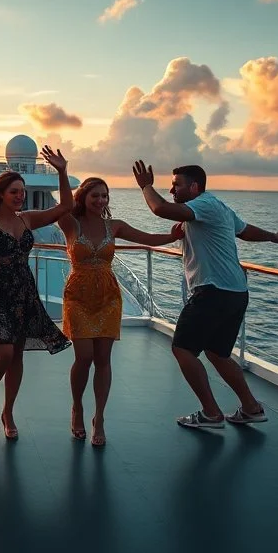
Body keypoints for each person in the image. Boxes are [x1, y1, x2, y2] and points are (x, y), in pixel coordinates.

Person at [131, 161, 278, 429]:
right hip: (235, 292)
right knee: (218, 353)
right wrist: (273, 238)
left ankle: (211, 413)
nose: (172, 190)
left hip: (213, 292)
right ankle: (252, 408)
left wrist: (145, 186)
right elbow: (244, 230)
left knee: (183, 349)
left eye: (177, 185)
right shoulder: (217, 205)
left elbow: (160, 208)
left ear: (194, 187)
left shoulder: (204, 206)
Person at [57, 174, 183, 446]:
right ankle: (77, 407)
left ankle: (99, 417)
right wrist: (62, 172)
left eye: (105, 196)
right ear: (83, 198)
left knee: (103, 359)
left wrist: (173, 235)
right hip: (78, 296)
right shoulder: (70, 223)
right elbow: (63, 204)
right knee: (84, 357)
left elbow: (146, 237)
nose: (101, 200)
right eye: (95, 196)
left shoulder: (113, 226)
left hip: (108, 297)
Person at [0, 147, 73, 440]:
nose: (20, 196)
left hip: (24, 291)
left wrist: (62, 172)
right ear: (1, 193)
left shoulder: (27, 219)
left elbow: (64, 208)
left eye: (22, 192)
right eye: (14, 192)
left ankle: (8, 411)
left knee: (17, 357)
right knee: (5, 353)